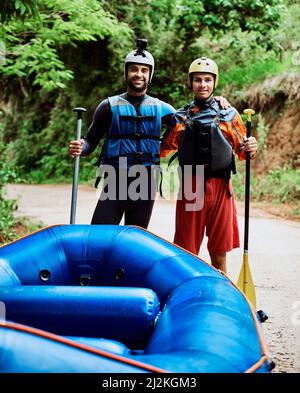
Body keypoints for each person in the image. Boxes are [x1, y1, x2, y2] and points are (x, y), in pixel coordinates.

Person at [69, 42, 229, 230]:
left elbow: (195, 117)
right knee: (99, 233)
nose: (139, 74)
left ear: (150, 75)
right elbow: (90, 141)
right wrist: (81, 146)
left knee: (136, 236)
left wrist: (215, 102)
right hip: (115, 177)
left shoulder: (163, 109)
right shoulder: (108, 106)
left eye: (144, 70)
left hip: (145, 179)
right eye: (134, 69)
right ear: (126, 73)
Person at [160, 57, 258, 273]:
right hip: (191, 187)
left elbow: (244, 154)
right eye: (197, 80)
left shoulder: (229, 115)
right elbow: (162, 149)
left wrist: (251, 146)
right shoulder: (180, 118)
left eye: (207, 80)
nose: (202, 84)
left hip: (221, 187)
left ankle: (221, 296)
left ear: (214, 82)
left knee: (219, 252)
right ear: (191, 83)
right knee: (187, 253)